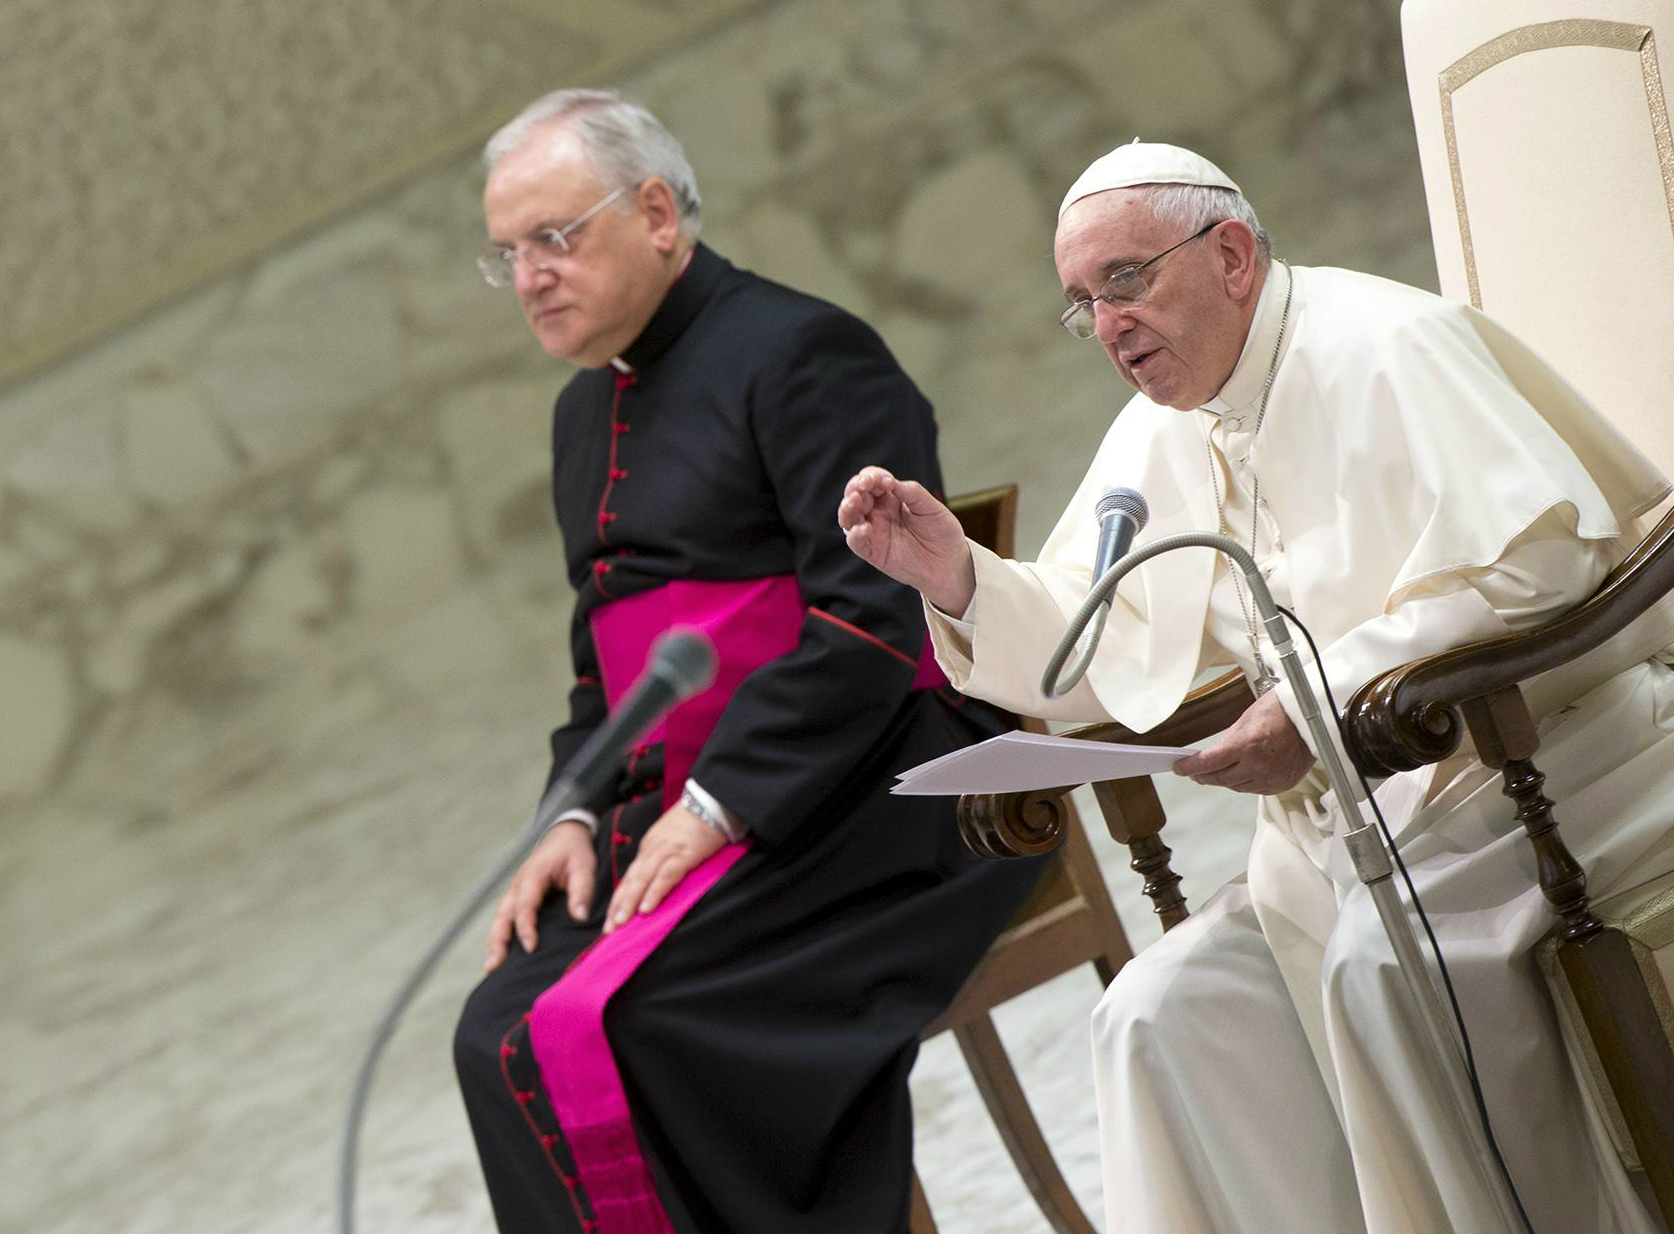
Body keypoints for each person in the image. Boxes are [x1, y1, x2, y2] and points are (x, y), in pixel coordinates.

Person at [839, 140, 1674, 1234]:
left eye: (1125, 281)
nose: (1107, 325)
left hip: (1550, 762)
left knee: (1384, 961)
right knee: (1152, 1015)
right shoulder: (1161, 431)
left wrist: (1322, 703)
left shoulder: (1387, 346)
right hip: (1343, 843)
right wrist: (956, 578)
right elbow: (1092, 636)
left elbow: (1543, 562)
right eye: (1084, 303)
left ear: (1232, 255)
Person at [450, 88, 1044, 1234]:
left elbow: (873, 616)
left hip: (869, 795)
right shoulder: (581, 419)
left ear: (656, 213)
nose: (529, 276)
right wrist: (568, 814)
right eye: (508, 253)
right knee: (494, 1034)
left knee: (639, 1018)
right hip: (671, 807)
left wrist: (720, 804)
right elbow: (599, 674)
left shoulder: (804, 352)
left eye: (553, 237)